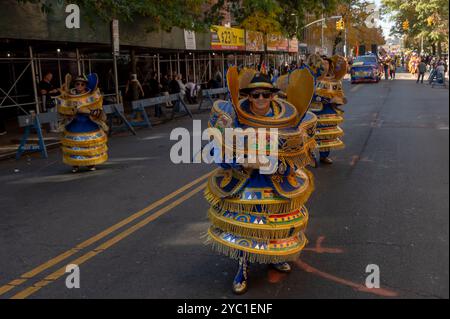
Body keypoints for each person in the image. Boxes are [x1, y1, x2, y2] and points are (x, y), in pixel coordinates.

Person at [204, 69, 316, 295]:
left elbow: (299, 156)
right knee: (248, 226)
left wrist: (273, 164)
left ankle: (273, 258)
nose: (261, 100)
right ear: (247, 96)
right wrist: (241, 162)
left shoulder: (288, 120)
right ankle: (242, 267)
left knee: (273, 222)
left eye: (266, 95)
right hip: (245, 183)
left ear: (274, 96)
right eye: (255, 95)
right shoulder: (234, 118)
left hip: (275, 182)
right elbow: (216, 152)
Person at [57, 74, 108, 173]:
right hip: (74, 124)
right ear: (75, 84)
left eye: (82, 84)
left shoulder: (92, 96)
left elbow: (99, 111)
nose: (79, 86)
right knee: (75, 145)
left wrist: (89, 112)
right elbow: (62, 111)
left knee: (90, 145)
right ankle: (75, 165)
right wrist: (73, 112)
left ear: (85, 85)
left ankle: (90, 164)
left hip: (89, 124)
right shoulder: (68, 96)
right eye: (77, 84)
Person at [308, 55, 348, 165]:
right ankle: (310, 155)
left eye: (327, 63)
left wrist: (338, 100)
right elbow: (307, 94)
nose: (325, 65)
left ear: (330, 65)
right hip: (313, 111)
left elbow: (340, 95)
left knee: (327, 134)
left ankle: (324, 156)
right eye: (323, 63)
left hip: (328, 111)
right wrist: (321, 99)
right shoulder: (313, 79)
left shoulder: (335, 80)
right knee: (311, 134)